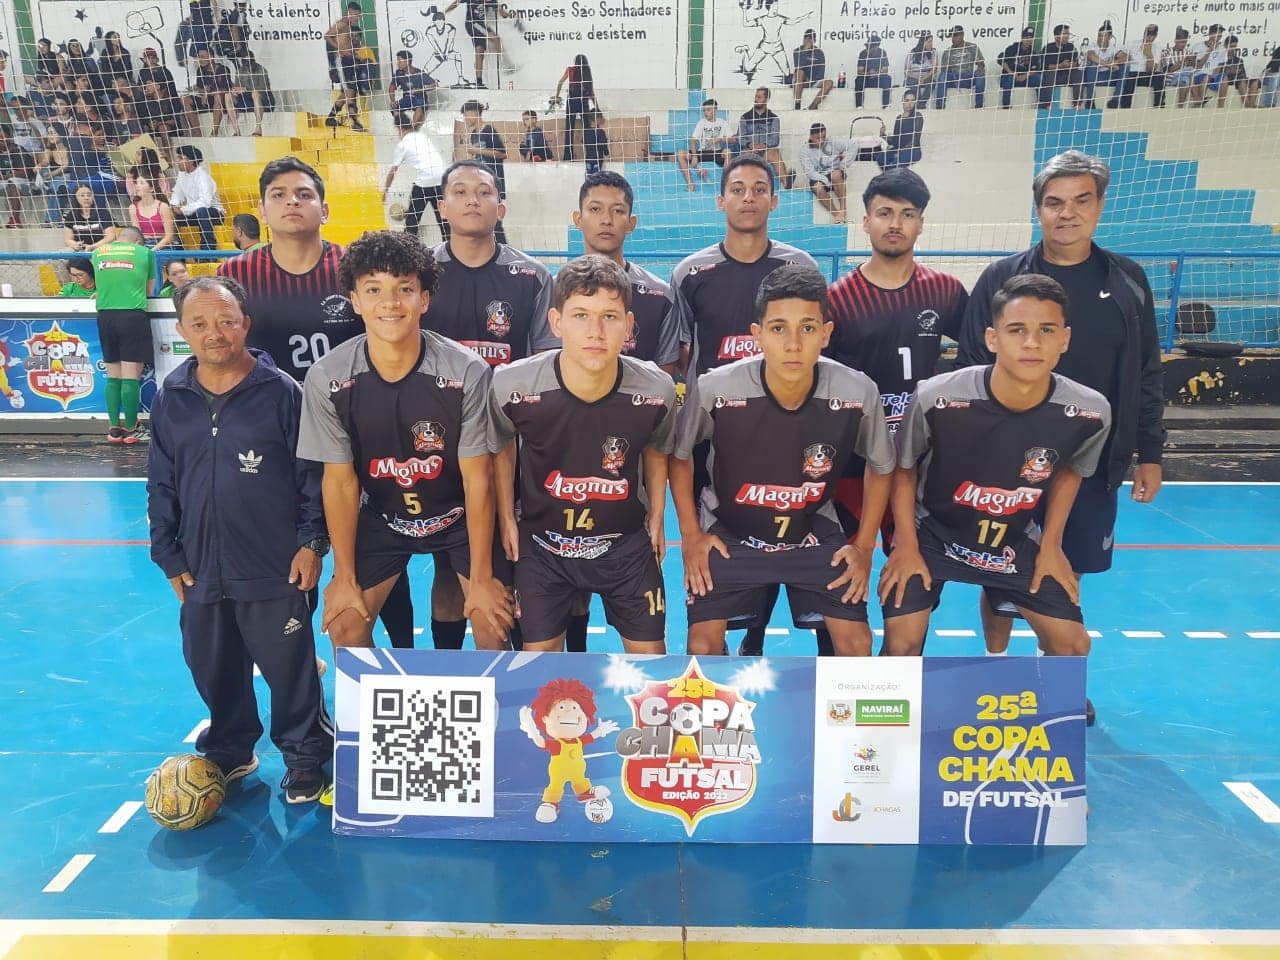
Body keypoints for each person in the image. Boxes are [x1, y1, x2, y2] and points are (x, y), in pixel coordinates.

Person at [956, 152, 1165, 722]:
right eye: (1054, 202)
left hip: (1093, 461)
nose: (1067, 213)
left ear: (1099, 206)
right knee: (997, 570)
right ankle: (996, 667)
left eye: (1080, 200)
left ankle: (1059, 676)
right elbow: (972, 365)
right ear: (1038, 210)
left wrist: (1149, 451)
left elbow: (1146, 370)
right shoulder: (1001, 278)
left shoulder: (1127, 281)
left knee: (1068, 568)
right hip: (1008, 463)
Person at [147, 275, 333, 804]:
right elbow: (161, 482)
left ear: (245, 324)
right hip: (200, 565)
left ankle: (306, 757)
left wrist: (312, 543)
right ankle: (230, 749)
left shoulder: (283, 393)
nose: (215, 333)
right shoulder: (171, 398)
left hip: (275, 566)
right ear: (182, 330)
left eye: (226, 321)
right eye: (200, 323)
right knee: (211, 664)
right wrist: (168, 553)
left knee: (290, 669)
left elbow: (312, 477)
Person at [218, 158, 415, 649]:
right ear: (262, 209)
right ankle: (297, 661)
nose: (292, 202)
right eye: (279, 194)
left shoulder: (352, 269)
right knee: (290, 555)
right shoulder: (236, 274)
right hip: (275, 439)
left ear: (324, 209)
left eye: (304, 194)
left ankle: (400, 658)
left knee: (379, 552)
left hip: (357, 435)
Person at [878, 274, 1110, 677]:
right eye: (1016, 329)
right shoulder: (937, 396)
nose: (1032, 343)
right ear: (992, 338)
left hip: (1014, 539)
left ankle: (1049, 702)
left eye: (1046, 330)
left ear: (1065, 339)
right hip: (933, 534)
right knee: (901, 644)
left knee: (1073, 646)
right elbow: (904, 469)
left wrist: (1051, 545)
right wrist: (906, 545)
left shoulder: (1090, 411)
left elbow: (1071, 471)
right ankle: (895, 709)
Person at [297, 230, 514, 654]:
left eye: (404, 289)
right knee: (344, 623)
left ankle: (478, 697)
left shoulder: (466, 372)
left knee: (493, 621)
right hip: (385, 516)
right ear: (355, 300)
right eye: (373, 290)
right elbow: (340, 482)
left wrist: (482, 578)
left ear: (424, 299)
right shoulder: (327, 377)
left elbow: (477, 479)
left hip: (457, 515)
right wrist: (344, 576)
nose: (390, 303)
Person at [672, 263, 895, 658]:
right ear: (757, 334)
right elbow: (680, 457)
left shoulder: (858, 391)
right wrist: (691, 535)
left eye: (807, 328)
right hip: (730, 531)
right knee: (702, 646)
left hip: (811, 530)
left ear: (826, 333)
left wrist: (863, 546)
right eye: (778, 328)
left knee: (857, 645)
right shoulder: (715, 388)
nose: (793, 344)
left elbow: (881, 466)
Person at [672, 154, 819, 656]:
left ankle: (755, 636)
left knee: (778, 529)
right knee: (718, 534)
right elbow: (684, 355)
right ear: (721, 201)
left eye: (759, 189)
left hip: (786, 427)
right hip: (716, 433)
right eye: (738, 189)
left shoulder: (800, 266)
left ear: (775, 201)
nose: (748, 198)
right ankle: (719, 632)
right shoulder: (692, 272)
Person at [490, 256, 676, 654]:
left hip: (624, 544)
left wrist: (659, 513)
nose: (595, 331)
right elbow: (503, 446)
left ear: (628, 325)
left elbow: (657, 447)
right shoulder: (511, 384)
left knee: (652, 664)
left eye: (609, 316)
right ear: (556, 322)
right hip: (544, 544)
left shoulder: (656, 390)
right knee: (539, 664)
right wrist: (506, 515)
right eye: (580, 316)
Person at [423, 159, 553, 649]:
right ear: (442, 207)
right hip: (435, 442)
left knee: (511, 557)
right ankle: (451, 664)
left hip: (508, 447)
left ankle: (510, 661)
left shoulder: (531, 275)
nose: (472, 200)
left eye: (483, 192)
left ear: (501, 207)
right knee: (447, 564)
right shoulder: (420, 272)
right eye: (459, 191)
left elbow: (545, 363)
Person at [565, 171, 681, 652]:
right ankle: (574, 654)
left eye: (617, 211)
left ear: (632, 222)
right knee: (566, 559)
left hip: (629, 457)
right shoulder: (554, 291)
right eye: (595, 209)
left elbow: (667, 378)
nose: (606, 219)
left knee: (630, 556)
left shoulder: (658, 294)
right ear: (578, 218)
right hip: (566, 450)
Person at [90, 225, 157, 444]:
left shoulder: (98, 252)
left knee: (113, 374)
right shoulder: (145, 253)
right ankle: (130, 428)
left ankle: (113, 429)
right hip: (132, 315)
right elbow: (149, 290)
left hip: (105, 316)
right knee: (130, 375)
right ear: (138, 242)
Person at [383, 115, 447, 242]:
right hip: (442, 181)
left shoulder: (403, 144)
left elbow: (393, 171)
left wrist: (385, 191)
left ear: (399, 128)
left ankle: (408, 246)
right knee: (443, 219)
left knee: (412, 222)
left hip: (425, 182)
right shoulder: (423, 137)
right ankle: (450, 245)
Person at [459, 100, 508, 244]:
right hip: (479, 185)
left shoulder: (489, 131)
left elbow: (503, 154)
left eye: (466, 115)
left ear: (474, 113)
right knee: (482, 221)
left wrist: (478, 151)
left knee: (495, 222)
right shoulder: (474, 134)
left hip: (493, 183)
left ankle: (503, 249)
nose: (465, 119)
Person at [444, 0, 517, 88]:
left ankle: (479, 82)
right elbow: (457, 2)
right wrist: (445, 12)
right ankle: (507, 66)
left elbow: (502, 13)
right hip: (472, 24)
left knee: (480, 51)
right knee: (496, 39)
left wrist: (509, 15)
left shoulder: (492, 0)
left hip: (481, 24)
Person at [324, 2, 368, 132]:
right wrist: (341, 50)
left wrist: (352, 52)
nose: (357, 19)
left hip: (349, 61)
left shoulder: (348, 26)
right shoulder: (342, 24)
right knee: (350, 92)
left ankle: (330, 117)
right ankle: (355, 122)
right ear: (349, 13)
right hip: (342, 62)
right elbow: (327, 36)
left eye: (359, 16)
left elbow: (345, 42)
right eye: (356, 15)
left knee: (347, 92)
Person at [171, 145, 224, 250]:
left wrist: (183, 210)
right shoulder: (182, 174)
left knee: (202, 211)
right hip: (192, 213)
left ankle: (208, 249)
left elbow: (205, 202)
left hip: (213, 213)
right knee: (168, 213)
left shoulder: (203, 176)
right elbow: (177, 193)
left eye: (181, 158)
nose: (177, 161)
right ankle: (177, 248)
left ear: (191, 161)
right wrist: (173, 206)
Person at [798, 123, 853, 223]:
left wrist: (844, 164)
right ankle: (837, 214)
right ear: (811, 136)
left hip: (834, 173)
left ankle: (843, 209)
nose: (822, 141)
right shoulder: (804, 151)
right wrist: (826, 180)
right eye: (818, 138)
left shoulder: (832, 142)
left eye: (823, 137)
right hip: (818, 176)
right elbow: (810, 173)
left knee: (836, 175)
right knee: (818, 188)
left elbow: (853, 145)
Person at [677, 98, 734, 192]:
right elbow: (693, 140)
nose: (705, 113)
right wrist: (694, 155)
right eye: (704, 110)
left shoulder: (722, 122)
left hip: (716, 152)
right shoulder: (701, 123)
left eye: (708, 110)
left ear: (715, 110)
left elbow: (733, 139)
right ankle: (691, 185)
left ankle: (725, 185)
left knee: (728, 152)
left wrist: (719, 139)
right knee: (680, 154)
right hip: (703, 152)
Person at [737, 88, 790, 188]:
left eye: (759, 97)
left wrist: (763, 145)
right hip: (750, 150)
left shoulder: (774, 118)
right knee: (744, 154)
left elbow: (775, 139)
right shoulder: (745, 117)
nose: (756, 99)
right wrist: (750, 145)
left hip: (766, 151)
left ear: (766, 99)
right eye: (756, 96)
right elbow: (740, 137)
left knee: (775, 153)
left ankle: (786, 184)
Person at [554, 54, 600, 161]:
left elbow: (560, 82)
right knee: (587, 129)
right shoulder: (587, 72)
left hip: (572, 100)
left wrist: (557, 96)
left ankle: (568, 156)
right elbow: (591, 92)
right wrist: (597, 107)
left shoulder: (570, 70)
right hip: (583, 101)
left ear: (575, 62)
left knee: (569, 128)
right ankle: (591, 154)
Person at [182, 47, 235, 136]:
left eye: (202, 57)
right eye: (199, 57)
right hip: (207, 100)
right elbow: (200, 87)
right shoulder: (200, 70)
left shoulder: (223, 69)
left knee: (218, 96)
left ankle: (214, 131)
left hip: (222, 101)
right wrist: (202, 90)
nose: (200, 59)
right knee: (185, 99)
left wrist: (207, 93)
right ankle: (197, 132)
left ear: (211, 57)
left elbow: (225, 89)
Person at [1115, 23, 1165, 108]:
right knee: (1130, 77)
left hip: (1145, 74)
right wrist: (1124, 56)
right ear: (1144, 33)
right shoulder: (1133, 44)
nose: (1149, 37)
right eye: (1148, 34)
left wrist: (1149, 55)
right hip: (1131, 73)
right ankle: (1125, 107)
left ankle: (1159, 106)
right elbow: (1117, 54)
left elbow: (1151, 70)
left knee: (1159, 76)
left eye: (1152, 35)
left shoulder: (1157, 48)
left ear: (1156, 36)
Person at [936, 25, 986, 108]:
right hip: (954, 78)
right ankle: (939, 107)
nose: (953, 38)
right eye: (952, 36)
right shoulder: (947, 52)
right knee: (942, 76)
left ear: (962, 35)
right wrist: (949, 68)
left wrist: (980, 68)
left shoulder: (972, 47)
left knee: (980, 75)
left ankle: (979, 106)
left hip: (968, 78)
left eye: (956, 35)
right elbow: (943, 69)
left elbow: (981, 63)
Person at [1038, 24, 1084, 109]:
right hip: (1054, 76)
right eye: (1065, 34)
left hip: (1067, 75)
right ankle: (1047, 104)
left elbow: (1076, 63)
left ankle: (1077, 104)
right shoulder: (1048, 48)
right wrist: (1060, 65)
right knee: (1050, 74)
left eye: (1068, 34)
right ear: (1056, 36)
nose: (1067, 36)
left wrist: (1070, 65)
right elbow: (1045, 67)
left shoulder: (1070, 47)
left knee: (1078, 73)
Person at [129, 175, 179, 250]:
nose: (137, 186)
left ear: (151, 188)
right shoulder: (133, 207)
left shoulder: (163, 207)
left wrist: (153, 249)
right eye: (136, 183)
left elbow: (169, 236)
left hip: (163, 244)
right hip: (144, 244)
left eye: (141, 183)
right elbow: (137, 234)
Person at [63, 183, 117, 252]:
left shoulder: (103, 213)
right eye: (82, 195)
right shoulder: (70, 215)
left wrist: (93, 246)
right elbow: (68, 239)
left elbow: (111, 237)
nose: (86, 198)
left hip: (100, 248)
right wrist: (75, 245)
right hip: (79, 250)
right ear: (76, 198)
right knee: (65, 252)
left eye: (89, 195)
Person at [1082, 20, 1125, 109]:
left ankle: (1115, 100)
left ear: (1110, 37)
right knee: (1093, 66)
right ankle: (1090, 101)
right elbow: (1091, 56)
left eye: (1104, 36)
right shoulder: (1092, 45)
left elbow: (1127, 57)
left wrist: (1115, 62)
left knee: (1125, 67)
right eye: (1099, 35)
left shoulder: (1113, 47)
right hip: (1093, 77)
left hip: (1107, 76)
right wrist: (1109, 65)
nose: (1101, 38)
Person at [233, 51, 276, 136]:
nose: (248, 64)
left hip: (264, 100)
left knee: (255, 93)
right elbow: (238, 87)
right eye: (246, 61)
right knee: (228, 96)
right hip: (248, 100)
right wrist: (235, 91)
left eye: (250, 61)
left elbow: (264, 88)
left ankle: (258, 128)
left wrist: (246, 89)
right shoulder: (240, 71)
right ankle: (236, 130)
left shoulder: (261, 70)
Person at [388, 50, 433, 128]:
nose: (397, 63)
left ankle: (411, 129)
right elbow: (392, 87)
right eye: (397, 60)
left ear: (407, 61)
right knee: (394, 108)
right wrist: (392, 101)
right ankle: (403, 127)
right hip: (406, 99)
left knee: (420, 107)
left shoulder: (419, 73)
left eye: (399, 60)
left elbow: (433, 84)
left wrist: (419, 90)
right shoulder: (399, 73)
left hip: (419, 99)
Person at [998, 27, 1040, 109]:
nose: (1028, 40)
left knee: (1038, 78)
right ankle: (1006, 106)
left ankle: (1041, 105)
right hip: (1010, 77)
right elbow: (1001, 60)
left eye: (1030, 38)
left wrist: (1025, 76)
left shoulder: (1033, 53)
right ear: (1022, 38)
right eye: (1026, 37)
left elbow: (1036, 69)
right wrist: (1010, 72)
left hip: (1024, 78)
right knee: (1009, 79)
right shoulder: (1012, 48)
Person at [881, 90, 924, 168]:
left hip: (913, 150)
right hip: (899, 149)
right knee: (881, 158)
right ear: (903, 102)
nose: (910, 103)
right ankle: (891, 174)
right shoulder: (899, 118)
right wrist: (883, 134)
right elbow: (895, 140)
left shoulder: (918, 116)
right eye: (907, 100)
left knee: (897, 161)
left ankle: (895, 174)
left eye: (912, 100)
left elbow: (915, 139)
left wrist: (900, 151)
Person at [1187, 24, 1226, 107]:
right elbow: (1198, 66)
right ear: (1210, 34)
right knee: (1205, 77)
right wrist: (1209, 51)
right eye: (1217, 33)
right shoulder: (1198, 46)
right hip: (1199, 74)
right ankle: (1200, 102)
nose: (1219, 35)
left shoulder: (1222, 49)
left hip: (1213, 76)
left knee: (1225, 78)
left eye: (1221, 33)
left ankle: (1221, 107)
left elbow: (1219, 67)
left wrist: (1213, 76)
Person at [793, 29, 833, 109]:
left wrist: (812, 81)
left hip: (814, 80)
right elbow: (799, 67)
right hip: (801, 80)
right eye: (807, 38)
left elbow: (821, 71)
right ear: (804, 39)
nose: (809, 40)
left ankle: (813, 106)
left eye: (811, 38)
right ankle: (797, 105)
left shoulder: (819, 52)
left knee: (829, 83)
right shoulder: (797, 51)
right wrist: (805, 51)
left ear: (814, 40)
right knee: (800, 72)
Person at [1161, 27, 1198, 107]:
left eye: (1185, 42)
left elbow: (1195, 68)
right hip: (1171, 78)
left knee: (1185, 79)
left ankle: (1181, 106)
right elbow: (1170, 70)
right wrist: (1184, 61)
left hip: (1184, 78)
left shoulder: (1188, 52)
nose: (1184, 44)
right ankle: (1197, 99)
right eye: (1181, 42)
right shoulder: (1167, 52)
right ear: (1175, 41)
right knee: (1188, 73)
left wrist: (1193, 62)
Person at [854, 34, 892, 109]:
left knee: (887, 79)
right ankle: (859, 106)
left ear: (877, 47)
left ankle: (886, 106)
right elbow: (859, 71)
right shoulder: (863, 53)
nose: (869, 50)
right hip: (867, 79)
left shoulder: (882, 53)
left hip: (878, 78)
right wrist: (869, 74)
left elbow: (885, 70)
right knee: (858, 80)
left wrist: (875, 73)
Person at [904, 33, 937, 107]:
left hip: (926, 76)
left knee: (932, 82)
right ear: (923, 42)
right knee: (914, 83)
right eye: (929, 42)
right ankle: (918, 103)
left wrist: (924, 78)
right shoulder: (912, 53)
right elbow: (906, 71)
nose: (931, 44)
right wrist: (918, 78)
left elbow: (934, 70)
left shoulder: (933, 52)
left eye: (932, 41)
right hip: (913, 76)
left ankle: (921, 103)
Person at [582, 110, 608, 175]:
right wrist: (606, 153)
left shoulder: (585, 132)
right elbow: (604, 145)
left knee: (589, 176)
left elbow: (583, 142)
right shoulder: (601, 132)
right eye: (601, 117)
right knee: (597, 177)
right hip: (598, 159)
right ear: (598, 119)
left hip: (588, 159)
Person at [1261, 44, 1280, 108]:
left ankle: (1270, 103)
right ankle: (1269, 104)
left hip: (1274, 74)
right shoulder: (1278, 50)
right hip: (1273, 74)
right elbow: (1273, 66)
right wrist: (1267, 70)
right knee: (1275, 78)